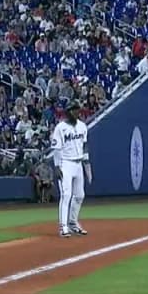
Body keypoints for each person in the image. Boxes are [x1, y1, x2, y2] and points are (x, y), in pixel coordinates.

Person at [48, 100, 90, 237]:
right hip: (65, 163)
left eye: (77, 109)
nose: (76, 111)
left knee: (79, 195)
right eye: (73, 109)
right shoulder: (60, 127)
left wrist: (87, 166)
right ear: (68, 111)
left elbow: (84, 146)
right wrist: (57, 166)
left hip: (78, 163)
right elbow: (56, 149)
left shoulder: (83, 126)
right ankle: (63, 226)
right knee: (66, 195)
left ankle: (73, 222)